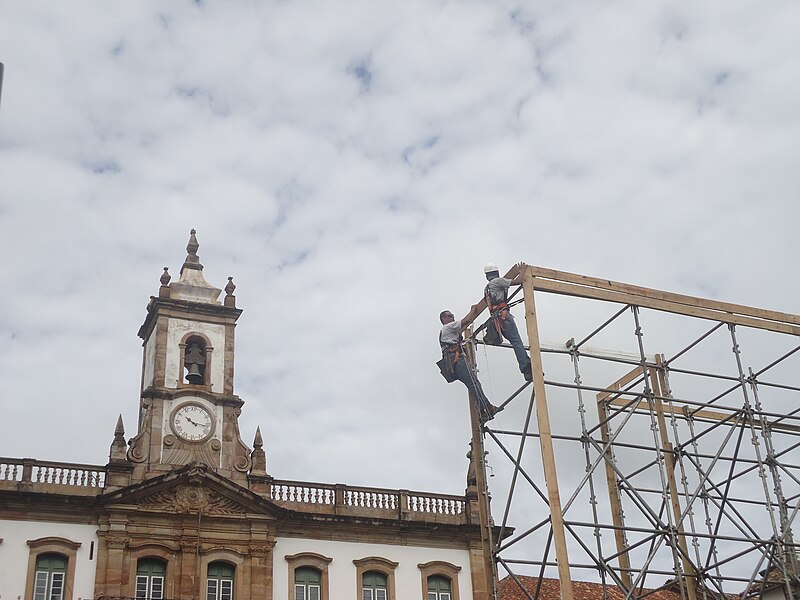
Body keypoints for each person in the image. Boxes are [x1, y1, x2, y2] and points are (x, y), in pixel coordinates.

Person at [439, 307, 501, 422]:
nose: (453, 317)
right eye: (450, 316)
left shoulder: (450, 331)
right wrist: (474, 310)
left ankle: (483, 411)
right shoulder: (448, 327)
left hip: (454, 361)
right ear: (444, 319)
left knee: (472, 383)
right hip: (456, 359)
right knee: (473, 383)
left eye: (452, 315)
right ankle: (486, 407)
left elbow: (463, 325)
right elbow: (466, 320)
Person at [483, 262, 533, 381]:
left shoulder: (487, 288)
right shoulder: (497, 281)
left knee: (515, 342)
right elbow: (518, 281)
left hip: (497, 320)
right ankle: (526, 366)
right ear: (496, 273)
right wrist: (522, 271)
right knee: (516, 341)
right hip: (503, 317)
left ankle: (526, 365)